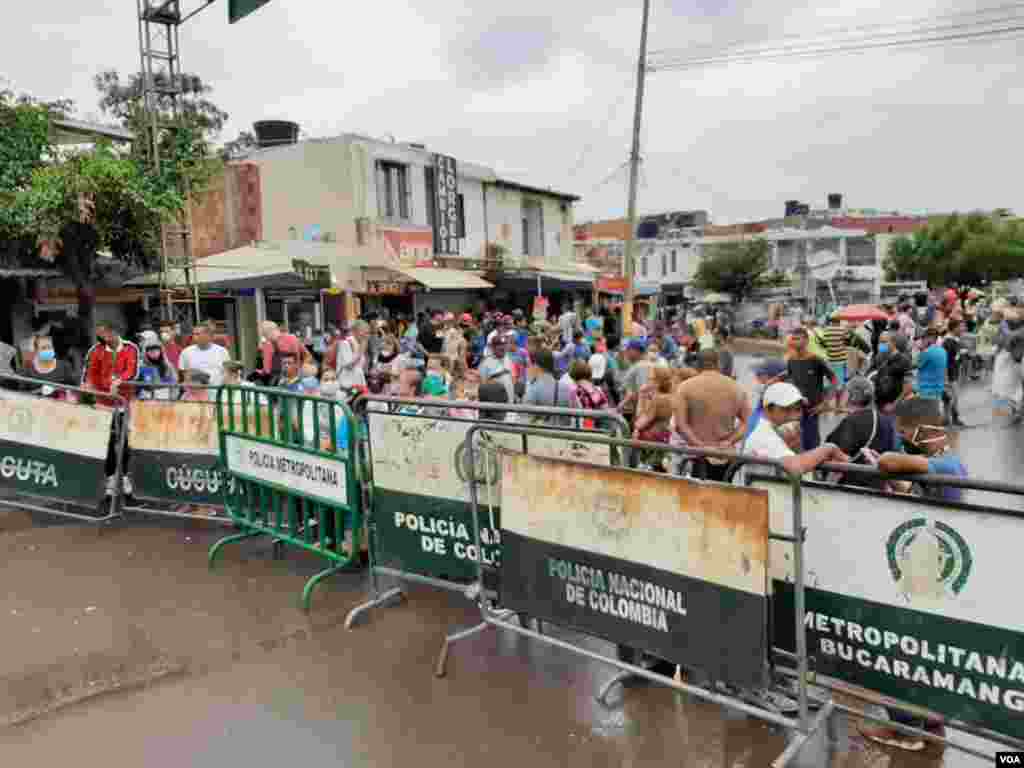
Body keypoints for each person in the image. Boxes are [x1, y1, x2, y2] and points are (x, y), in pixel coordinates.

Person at [672, 349, 750, 482]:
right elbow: (747, 422)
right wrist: (729, 441)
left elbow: (680, 425)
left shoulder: (685, 387)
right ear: (718, 364)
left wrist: (700, 446)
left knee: (697, 499)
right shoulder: (736, 387)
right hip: (725, 455)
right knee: (723, 497)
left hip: (697, 457)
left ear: (698, 365)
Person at [742, 382, 851, 475]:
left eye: (798, 409)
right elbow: (796, 467)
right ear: (768, 410)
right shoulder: (764, 435)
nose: (794, 416)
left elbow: (795, 459)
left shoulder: (774, 430)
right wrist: (829, 448)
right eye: (786, 410)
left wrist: (796, 447)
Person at [824, 377, 896, 489]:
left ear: (851, 397)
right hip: (879, 483)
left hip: (853, 485)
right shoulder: (887, 421)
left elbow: (838, 453)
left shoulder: (851, 421)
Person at [786, 327, 839, 450]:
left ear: (806, 341)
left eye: (797, 339)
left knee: (812, 444)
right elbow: (790, 380)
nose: (794, 342)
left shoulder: (816, 360)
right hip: (795, 410)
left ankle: (814, 467)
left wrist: (825, 402)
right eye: (792, 339)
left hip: (812, 410)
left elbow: (835, 380)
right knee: (794, 442)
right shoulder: (791, 360)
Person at [522, 348, 578, 426]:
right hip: (562, 434)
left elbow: (526, 420)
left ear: (536, 366)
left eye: (529, 365)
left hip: (542, 435)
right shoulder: (566, 388)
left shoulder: (533, 389)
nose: (528, 369)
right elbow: (573, 415)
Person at [178, 321, 230, 387]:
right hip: (195, 392)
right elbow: (183, 375)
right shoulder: (186, 352)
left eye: (197, 334)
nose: (193, 336)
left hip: (217, 392)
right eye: (193, 334)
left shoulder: (222, 351)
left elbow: (228, 373)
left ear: (208, 335)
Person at [24, 333, 76, 397]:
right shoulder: (28, 371)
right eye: (44, 348)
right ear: (36, 350)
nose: (48, 350)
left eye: (49, 347)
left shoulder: (64, 366)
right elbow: (21, 395)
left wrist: (58, 389)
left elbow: (74, 389)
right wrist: (40, 391)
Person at [617, 339, 653, 424]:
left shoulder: (642, 366)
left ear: (636, 351)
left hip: (633, 412)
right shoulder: (636, 365)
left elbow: (642, 392)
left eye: (628, 349)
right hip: (630, 411)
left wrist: (637, 415)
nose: (626, 352)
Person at [477, 333, 516, 405]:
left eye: (504, 345)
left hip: (510, 403)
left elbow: (513, 378)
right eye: (499, 345)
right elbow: (482, 385)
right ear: (493, 347)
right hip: (496, 405)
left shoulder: (508, 359)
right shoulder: (485, 363)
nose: (502, 348)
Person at [137, 335, 178, 400]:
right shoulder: (140, 365)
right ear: (145, 351)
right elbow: (136, 385)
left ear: (161, 350)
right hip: (146, 398)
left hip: (165, 398)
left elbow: (175, 384)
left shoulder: (168, 365)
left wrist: (173, 399)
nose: (153, 351)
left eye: (156, 348)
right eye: (149, 349)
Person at [941, 319, 966, 426]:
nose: (963, 329)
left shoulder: (954, 340)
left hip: (953, 372)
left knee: (948, 397)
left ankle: (946, 419)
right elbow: (945, 361)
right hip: (949, 374)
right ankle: (953, 418)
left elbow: (956, 356)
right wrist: (945, 377)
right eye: (961, 326)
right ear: (955, 328)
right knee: (953, 397)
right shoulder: (948, 342)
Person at [914, 326, 947, 405]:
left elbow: (916, 365)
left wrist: (921, 350)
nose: (922, 341)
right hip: (939, 388)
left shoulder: (927, 352)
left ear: (930, 338)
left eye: (923, 338)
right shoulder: (943, 351)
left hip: (926, 390)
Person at [335, 320, 369, 390]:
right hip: (347, 384)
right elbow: (349, 366)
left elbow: (362, 367)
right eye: (363, 331)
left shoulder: (360, 344)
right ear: (354, 331)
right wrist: (361, 351)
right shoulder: (345, 343)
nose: (365, 335)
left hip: (359, 383)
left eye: (367, 332)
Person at [821, 314, 849, 385]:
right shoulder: (842, 329)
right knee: (840, 379)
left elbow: (824, 342)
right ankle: (839, 393)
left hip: (830, 357)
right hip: (840, 358)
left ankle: (831, 391)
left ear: (831, 322)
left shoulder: (825, 330)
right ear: (839, 322)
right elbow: (847, 342)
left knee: (831, 378)